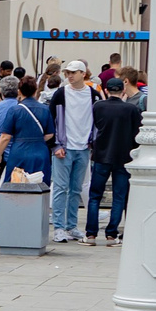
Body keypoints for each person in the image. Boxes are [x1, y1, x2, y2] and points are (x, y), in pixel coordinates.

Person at [47, 62, 97, 243]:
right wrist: (55, 145)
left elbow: (98, 118)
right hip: (64, 147)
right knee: (61, 188)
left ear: (83, 74)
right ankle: (59, 227)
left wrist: (93, 142)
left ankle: (72, 225)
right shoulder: (61, 94)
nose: (69, 75)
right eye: (67, 72)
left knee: (76, 189)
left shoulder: (93, 94)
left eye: (73, 72)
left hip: (84, 147)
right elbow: (50, 119)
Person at [87, 80, 141, 245]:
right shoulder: (132, 109)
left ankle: (91, 234)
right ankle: (111, 234)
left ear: (106, 90)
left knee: (95, 195)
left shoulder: (98, 107)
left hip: (101, 155)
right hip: (124, 156)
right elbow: (137, 134)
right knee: (119, 196)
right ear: (123, 89)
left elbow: (93, 127)